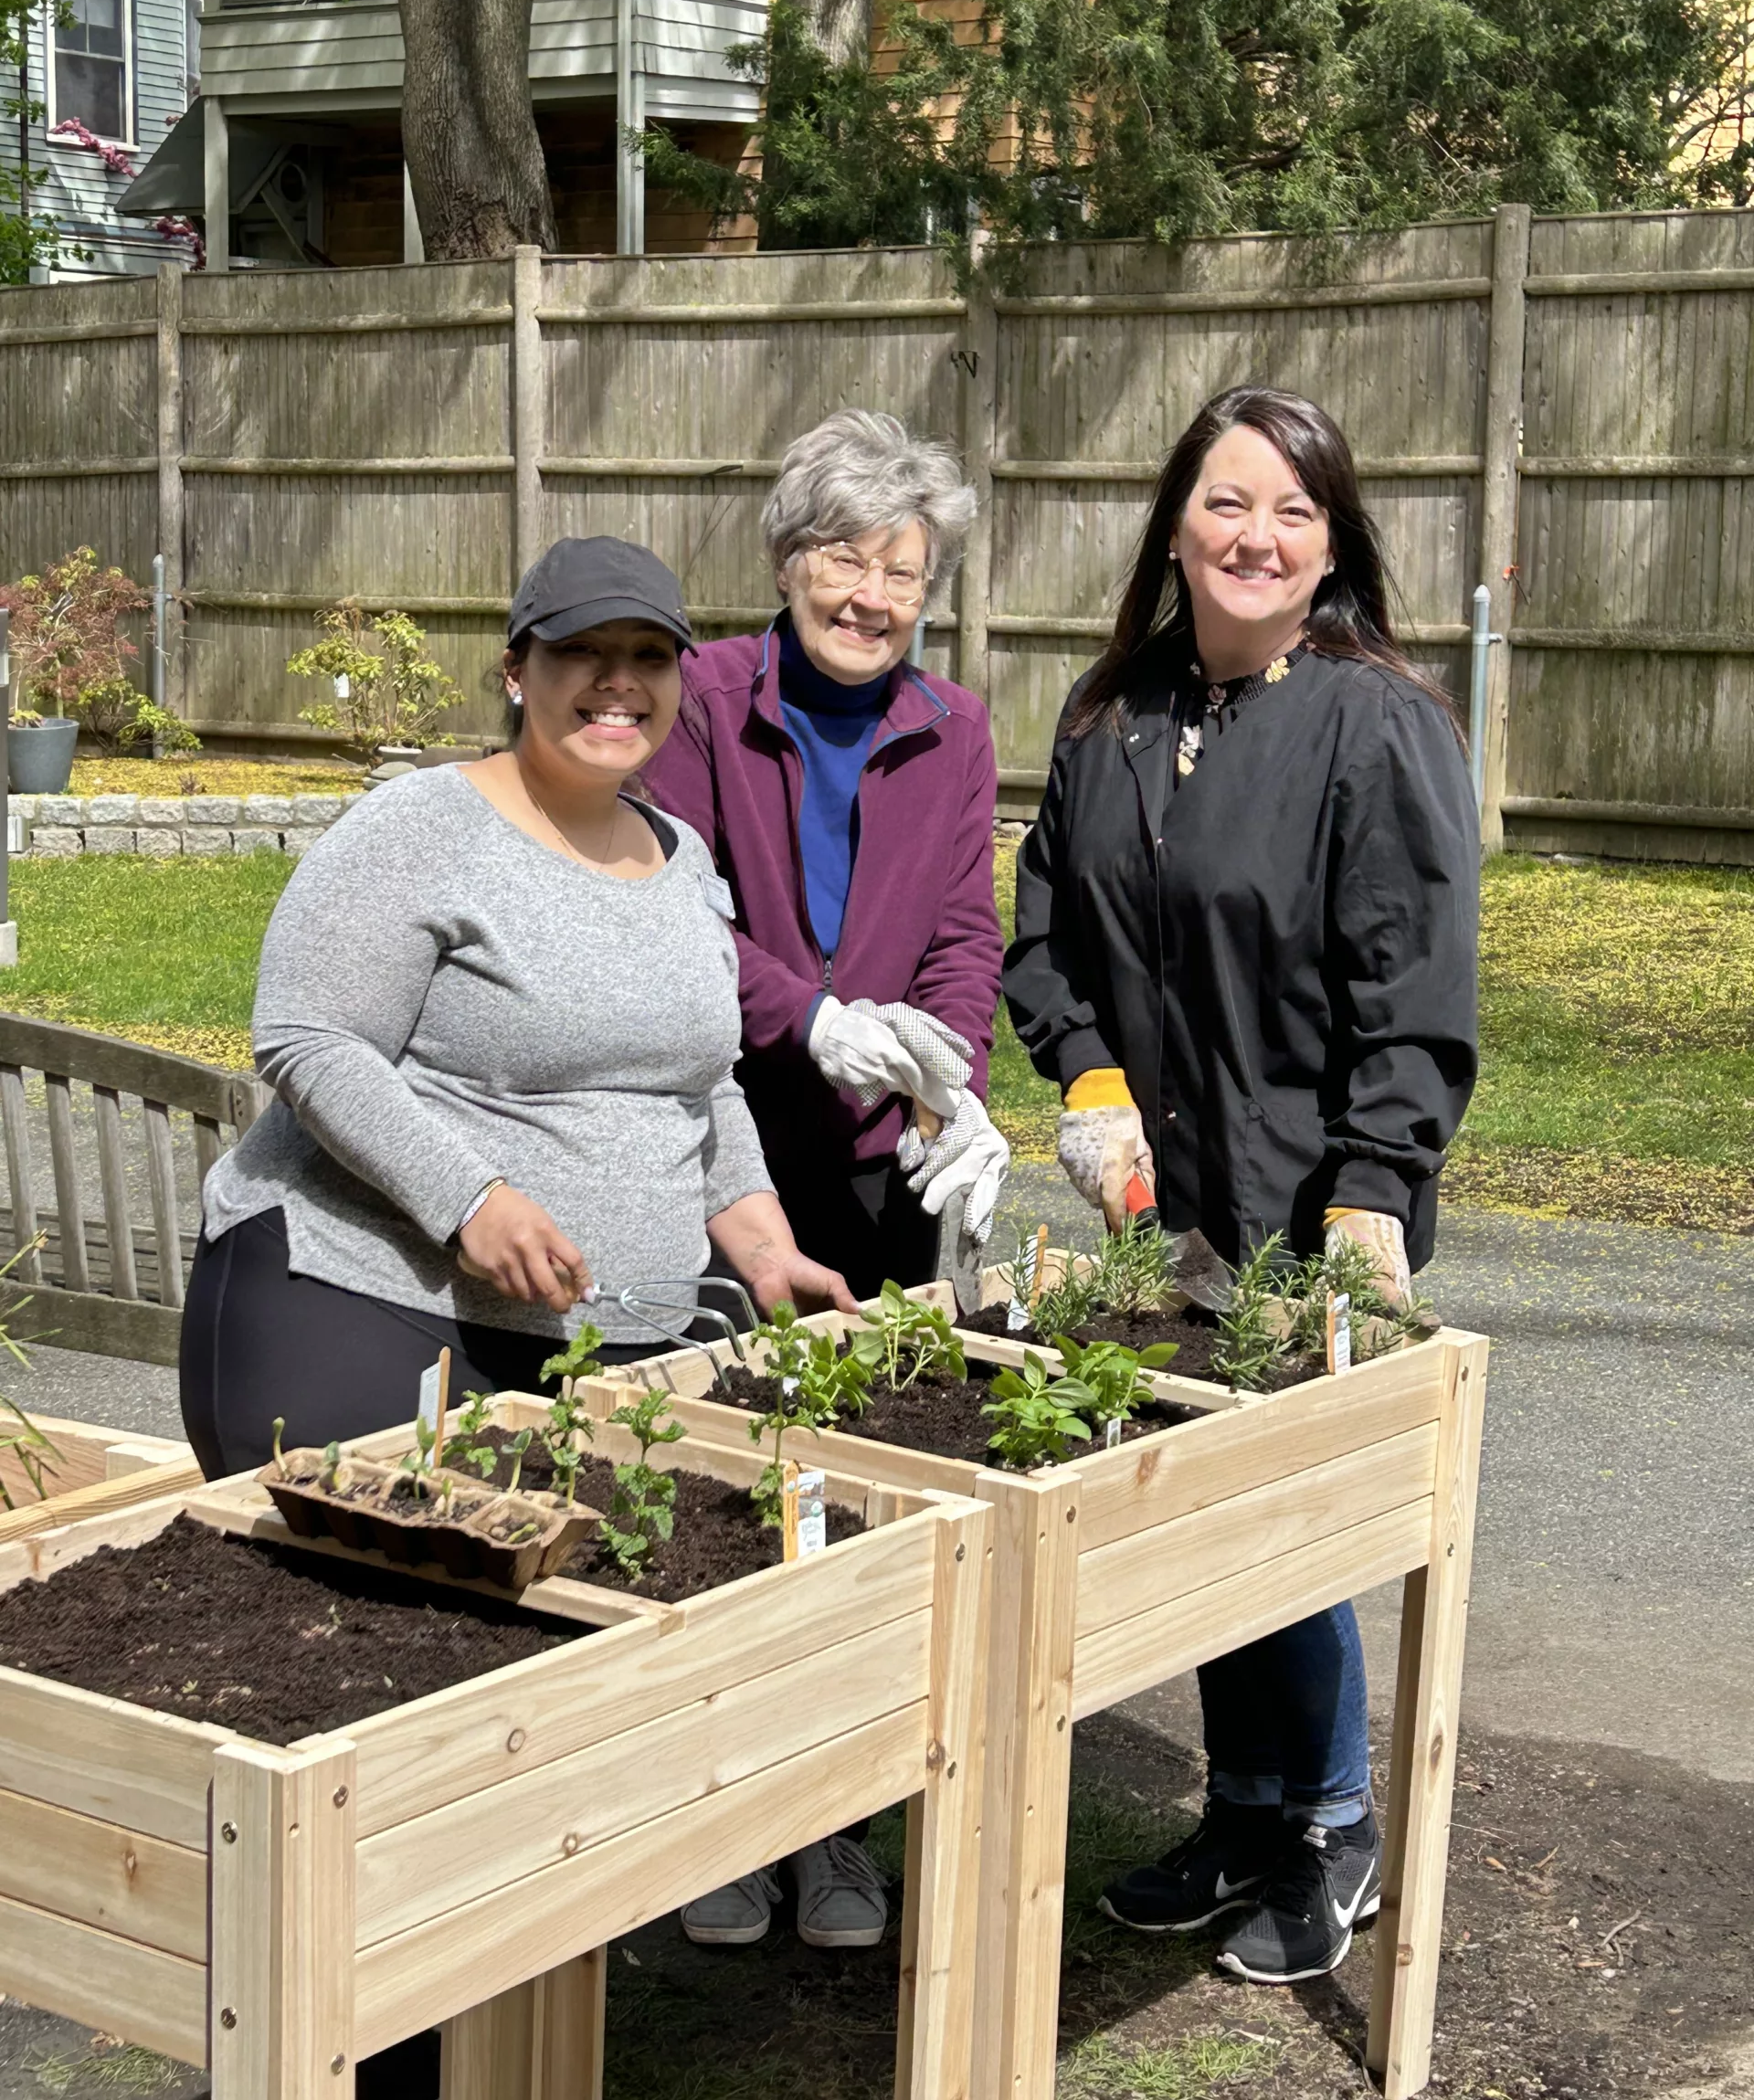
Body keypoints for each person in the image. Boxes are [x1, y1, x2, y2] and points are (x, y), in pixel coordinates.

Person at [182, 535, 855, 2093]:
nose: (616, 687)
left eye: (648, 659)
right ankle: (347, 2048)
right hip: (353, 1292)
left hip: (572, 1339)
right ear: (518, 669)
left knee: (516, 1701)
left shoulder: (683, 858)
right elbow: (306, 1038)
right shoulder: (422, 828)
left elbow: (701, 1086)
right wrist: (470, 1198)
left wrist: (756, 1239)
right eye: (580, 655)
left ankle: (467, 2032)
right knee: (371, 1683)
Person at [1004, 385, 1478, 1985]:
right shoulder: (1114, 717)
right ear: (1177, 522)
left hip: (1318, 1208)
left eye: (1292, 510)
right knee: (1196, 1511)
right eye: (1227, 502)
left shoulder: (1373, 721)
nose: (1255, 536)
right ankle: (1247, 1805)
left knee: (1288, 1525)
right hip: (1170, 1215)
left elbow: (1415, 992)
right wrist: (1084, 1075)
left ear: (1331, 541)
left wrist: (1373, 1186)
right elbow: (1047, 938)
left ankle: (1332, 1818)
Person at [645, 409, 1008, 1953]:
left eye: (901, 573)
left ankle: (843, 1829)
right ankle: (716, 1826)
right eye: (845, 561)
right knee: (713, 1491)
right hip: (719, 1153)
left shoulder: (957, 725)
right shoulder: (707, 703)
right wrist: (811, 1017)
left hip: (876, 1180)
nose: (870, 597)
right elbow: (657, 908)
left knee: (864, 1497)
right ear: (789, 560)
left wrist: (952, 1083)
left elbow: (966, 934)